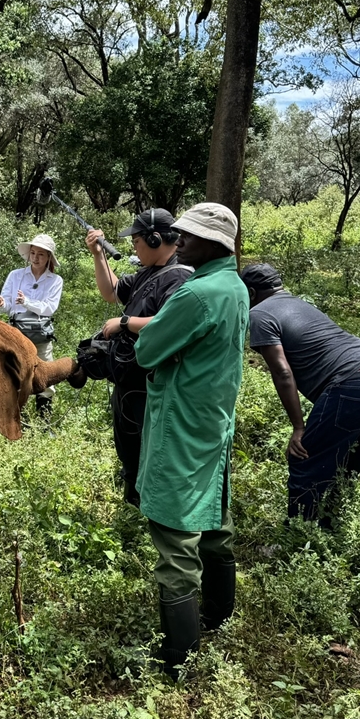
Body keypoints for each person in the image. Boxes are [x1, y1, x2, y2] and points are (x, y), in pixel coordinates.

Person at [132, 203, 249, 678]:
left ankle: (180, 659)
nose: (180, 242)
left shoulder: (195, 295)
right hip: (214, 421)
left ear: (214, 244)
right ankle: (220, 615)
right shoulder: (236, 286)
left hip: (181, 425)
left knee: (176, 532)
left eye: (189, 236)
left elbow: (147, 349)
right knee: (215, 519)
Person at [241, 262, 360, 525]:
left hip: (354, 380)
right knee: (352, 456)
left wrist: (298, 427)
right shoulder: (299, 303)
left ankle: (299, 532)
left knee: (304, 457)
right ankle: (332, 524)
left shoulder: (259, 314)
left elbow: (282, 373)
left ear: (251, 293)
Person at [84, 209, 192, 505]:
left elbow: (170, 323)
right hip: (128, 377)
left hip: (152, 383)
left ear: (155, 239)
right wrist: (98, 254)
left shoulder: (180, 277)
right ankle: (132, 498)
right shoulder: (148, 271)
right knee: (128, 443)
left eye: (136, 241)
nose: (134, 247)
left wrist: (124, 323)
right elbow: (111, 292)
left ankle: (152, 506)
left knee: (150, 447)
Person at [0, 234, 64, 424]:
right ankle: (19, 420)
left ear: (49, 257)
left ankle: (44, 421)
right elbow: (8, 307)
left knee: (45, 371)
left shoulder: (55, 280)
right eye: (33, 253)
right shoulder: (15, 275)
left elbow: (50, 308)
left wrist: (26, 302)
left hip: (41, 332)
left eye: (41, 254)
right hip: (17, 331)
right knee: (17, 372)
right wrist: (1, 304)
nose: (35, 258)